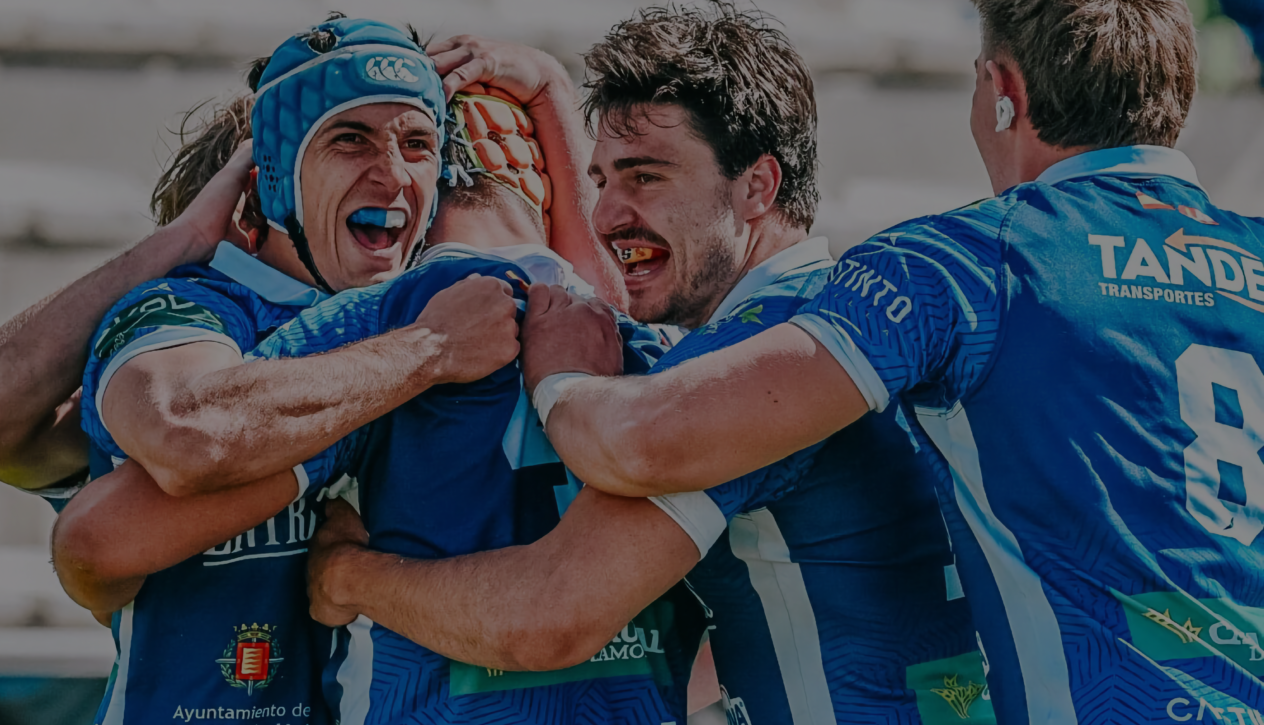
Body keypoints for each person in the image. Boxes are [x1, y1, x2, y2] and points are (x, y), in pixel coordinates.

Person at [505, 0, 1264, 721]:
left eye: (644, 175)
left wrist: (559, 373)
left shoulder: (964, 265)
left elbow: (619, 490)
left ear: (1001, 89)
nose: (613, 209)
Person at [302, 9, 993, 723]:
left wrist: (349, 575)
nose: (607, 215)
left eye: (646, 176)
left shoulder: (748, 357)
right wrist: (551, 93)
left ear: (758, 186)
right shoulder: (863, 318)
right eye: (602, 181)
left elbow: (549, 617)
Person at [43, 17, 531, 725]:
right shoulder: (189, 307)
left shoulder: (444, 323)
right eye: (349, 138)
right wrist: (425, 352)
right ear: (274, 180)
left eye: (418, 144)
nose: (392, 173)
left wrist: (551, 91)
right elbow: (177, 438)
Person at [237, 59, 702, 724]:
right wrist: (551, 90)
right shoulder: (674, 353)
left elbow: (193, 444)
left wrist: (343, 574)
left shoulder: (375, 326)